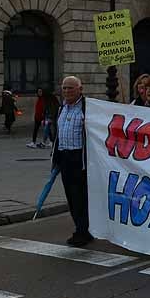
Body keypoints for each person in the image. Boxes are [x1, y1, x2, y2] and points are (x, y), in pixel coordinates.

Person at [53, 76, 92, 246]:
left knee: (80, 197)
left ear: (80, 89)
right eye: (64, 88)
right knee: (71, 196)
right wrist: (56, 158)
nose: (67, 91)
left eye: (71, 88)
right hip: (65, 157)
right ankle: (81, 227)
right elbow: (58, 135)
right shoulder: (62, 109)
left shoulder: (87, 108)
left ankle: (83, 231)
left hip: (80, 159)